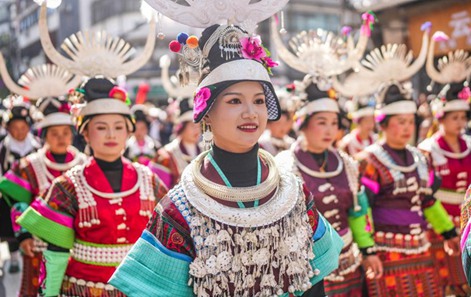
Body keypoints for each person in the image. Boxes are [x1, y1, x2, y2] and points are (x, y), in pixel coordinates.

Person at [111, 23, 343, 296]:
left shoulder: (294, 193)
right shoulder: (180, 209)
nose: (251, 113)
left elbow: (314, 283)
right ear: (206, 112)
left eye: (258, 101)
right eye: (234, 101)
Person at [17, 78, 168, 296]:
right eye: (101, 127)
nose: (111, 135)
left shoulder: (149, 180)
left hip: (139, 289)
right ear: (85, 133)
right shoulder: (67, 186)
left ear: (128, 133)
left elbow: (164, 244)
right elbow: (56, 253)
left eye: (119, 127)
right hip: (83, 289)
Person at [276, 79, 382, 297]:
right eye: (322, 122)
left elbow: (357, 212)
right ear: (303, 123)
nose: (330, 130)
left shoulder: (348, 163)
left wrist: (367, 249)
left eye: (334, 123)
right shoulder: (285, 166)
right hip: (308, 269)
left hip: (348, 264)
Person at [360, 84, 460, 297]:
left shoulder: (420, 158)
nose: (407, 128)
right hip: (386, 252)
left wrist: (448, 232)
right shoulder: (369, 161)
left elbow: (428, 201)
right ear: (383, 124)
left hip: (420, 247)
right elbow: (363, 209)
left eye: (410, 122)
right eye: (400, 122)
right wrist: (368, 250)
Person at [0, 96, 87, 296]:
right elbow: (17, 202)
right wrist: (23, 236)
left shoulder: (84, 163)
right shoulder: (29, 165)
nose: (61, 138)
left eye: (66, 133)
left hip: (77, 248)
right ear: (44, 136)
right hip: (38, 247)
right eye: (54, 133)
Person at [418, 82, 471, 295]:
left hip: (467, 223)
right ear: (441, 118)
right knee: (445, 280)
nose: (460, 123)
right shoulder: (428, 150)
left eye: (463, 117)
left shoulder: (469, 144)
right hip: (439, 224)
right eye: (454, 118)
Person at [0, 98, 41, 274]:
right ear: (8, 129)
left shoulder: (36, 146)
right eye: (14, 129)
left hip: (33, 195)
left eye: (23, 128)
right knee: (11, 224)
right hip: (10, 195)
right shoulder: (4, 148)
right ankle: (14, 255)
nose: (19, 133)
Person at [150, 97, 202, 188]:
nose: (197, 130)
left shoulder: (205, 151)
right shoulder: (165, 156)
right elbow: (160, 191)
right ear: (181, 128)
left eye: (199, 126)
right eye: (192, 126)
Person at [259, 84, 296, 156]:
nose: (282, 128)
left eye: (285, 123)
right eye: (278, 124)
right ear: (268, 124)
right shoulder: (262, 144)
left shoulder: (291, 144)